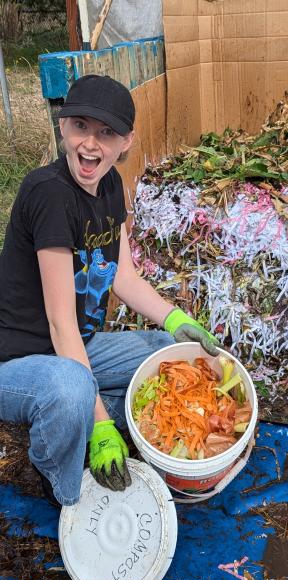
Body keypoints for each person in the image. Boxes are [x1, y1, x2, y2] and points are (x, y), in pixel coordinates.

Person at [0, 74, 220, 507]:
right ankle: (62, 484)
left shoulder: (111, 185)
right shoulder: (47, 193)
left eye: (107, 133)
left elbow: (123, 276)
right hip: (18, 359)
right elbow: (60, 323)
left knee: (162, 351)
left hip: (77, 346)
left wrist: (178, 321)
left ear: (127, 142)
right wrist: (100, 424)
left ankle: (81, 420)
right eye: (80, 126)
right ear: (62, 126)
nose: (91, 144)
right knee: (72, 386)